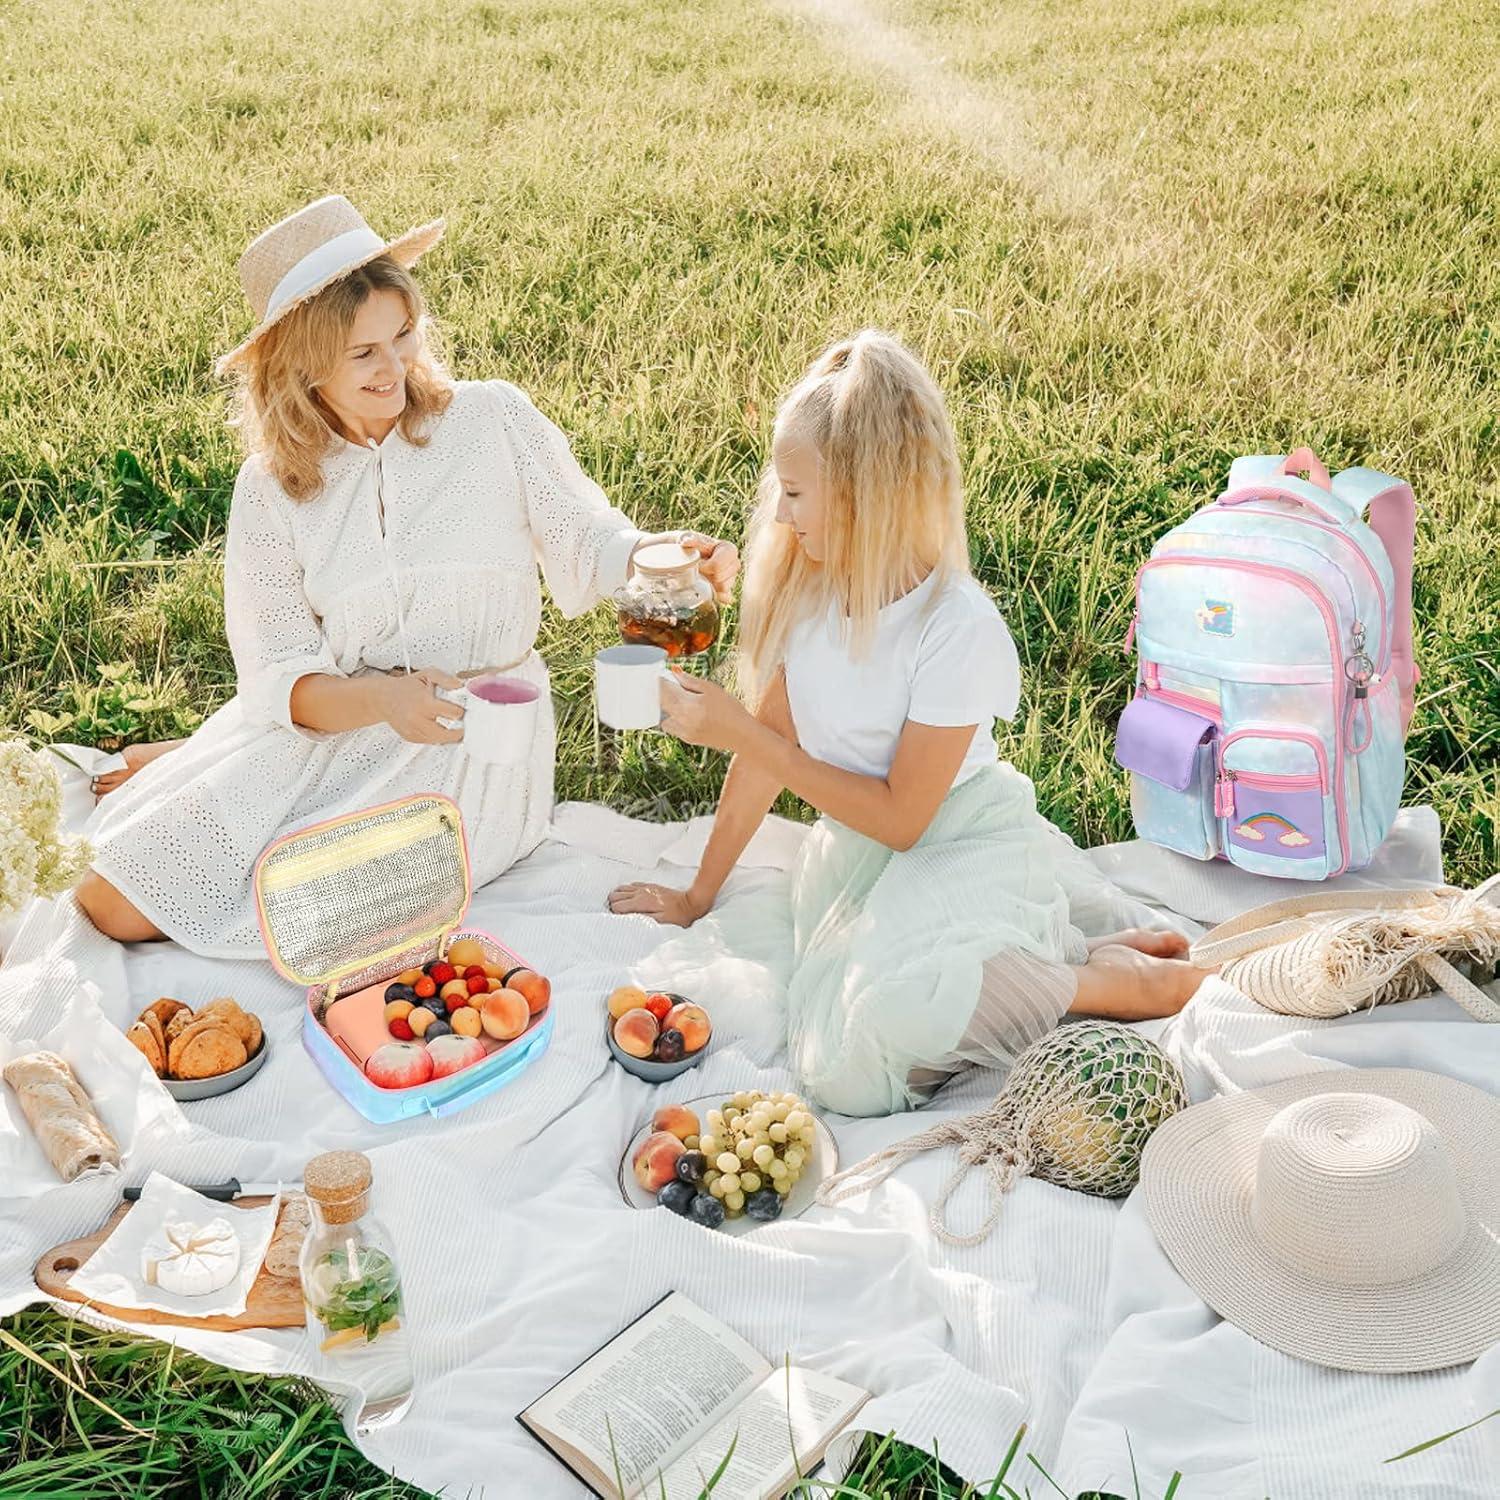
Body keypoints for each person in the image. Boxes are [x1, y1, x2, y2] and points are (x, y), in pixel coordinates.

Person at [76, 195, 736, 955]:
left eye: (404, 334)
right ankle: (204, 754)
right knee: (110, 899)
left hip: (476, 742)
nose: (397, 367)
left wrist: (666, 552)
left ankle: (199, 759)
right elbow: (280, 676)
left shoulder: (492, 419)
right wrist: (383, 699)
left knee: (301, 917)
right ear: (301, 362)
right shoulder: (272, 486)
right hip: (342, 721)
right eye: (364, 353)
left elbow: (588, 540)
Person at [609, 330, 1210, 1117]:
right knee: (844, 1038)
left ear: (861, 495)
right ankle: (1052, 959)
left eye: (795, 493)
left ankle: (1101, 985)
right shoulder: (810, 591)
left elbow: (901, 816)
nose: (780, 516)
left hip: (959, 836)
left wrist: (742, 732)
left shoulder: (952, 625)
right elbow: (765, 761)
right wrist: (697, 894)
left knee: (855, 1067)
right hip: (859, 857)